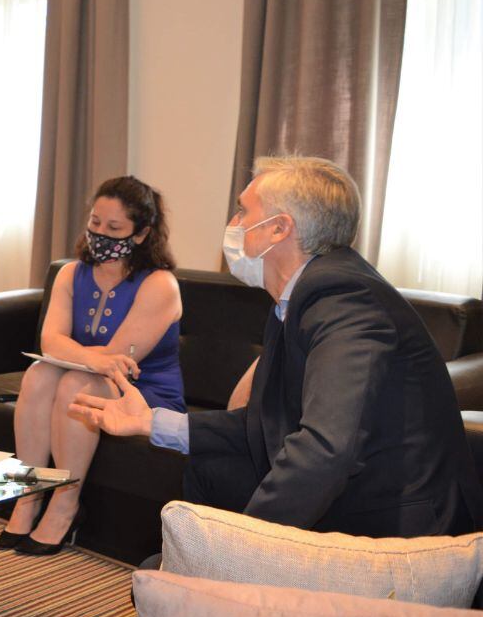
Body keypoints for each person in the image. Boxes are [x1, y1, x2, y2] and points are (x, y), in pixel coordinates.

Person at [71, 155, 483, 538]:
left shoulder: (343, 298)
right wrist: (152, 422)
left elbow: (326, 448)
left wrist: (245, 547)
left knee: (172, 572)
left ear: (279, 229)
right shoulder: (297, 298)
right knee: (210, 470)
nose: (233, 223)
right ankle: (210, 591)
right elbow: (263, 421)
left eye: (243, 211)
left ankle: (222, 584)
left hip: (393, 518)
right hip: (357, 489)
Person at [1, 176, 184, 555]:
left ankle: (67, 503)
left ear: (141, 233)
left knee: (72, 385)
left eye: (114, 228)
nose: (100, 233)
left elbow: (119, 358)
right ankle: (29, 494)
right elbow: (50, 341)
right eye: (96, 223)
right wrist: (88, 357)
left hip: (144, 391)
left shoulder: (160, 284)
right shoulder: (71, 273)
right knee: (39, 374)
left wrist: (82, 356)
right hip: (89, 375)